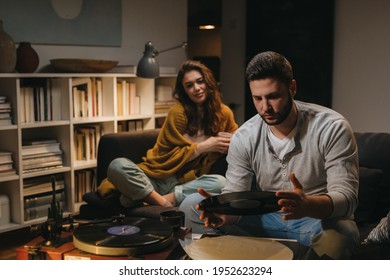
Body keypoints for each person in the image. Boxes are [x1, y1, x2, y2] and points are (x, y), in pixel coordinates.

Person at [179, 51, 360, 259]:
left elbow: (347, 199)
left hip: (315, 221)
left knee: (344, 234)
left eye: (273, 96)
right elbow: (236, 196)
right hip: (263, 219)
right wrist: (224, 212)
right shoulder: (245, 136)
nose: (265, 108)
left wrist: (308, 204)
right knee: (190, 205)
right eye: (258, 98)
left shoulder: (332, 127)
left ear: (292, 88)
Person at [99, 60, 238, 208]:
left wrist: (233, 141)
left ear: (208, 82)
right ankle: (164, 203)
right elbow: (165, 156)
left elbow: (238, 140)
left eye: (200, 81)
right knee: (117, 166)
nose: (196, 88)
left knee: (220, 182)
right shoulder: (178, 113)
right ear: (184, 90)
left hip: (185, 184)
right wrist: (204, 146)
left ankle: (147, 198)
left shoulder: (224, 113)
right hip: (156, 176)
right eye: (189, 85)